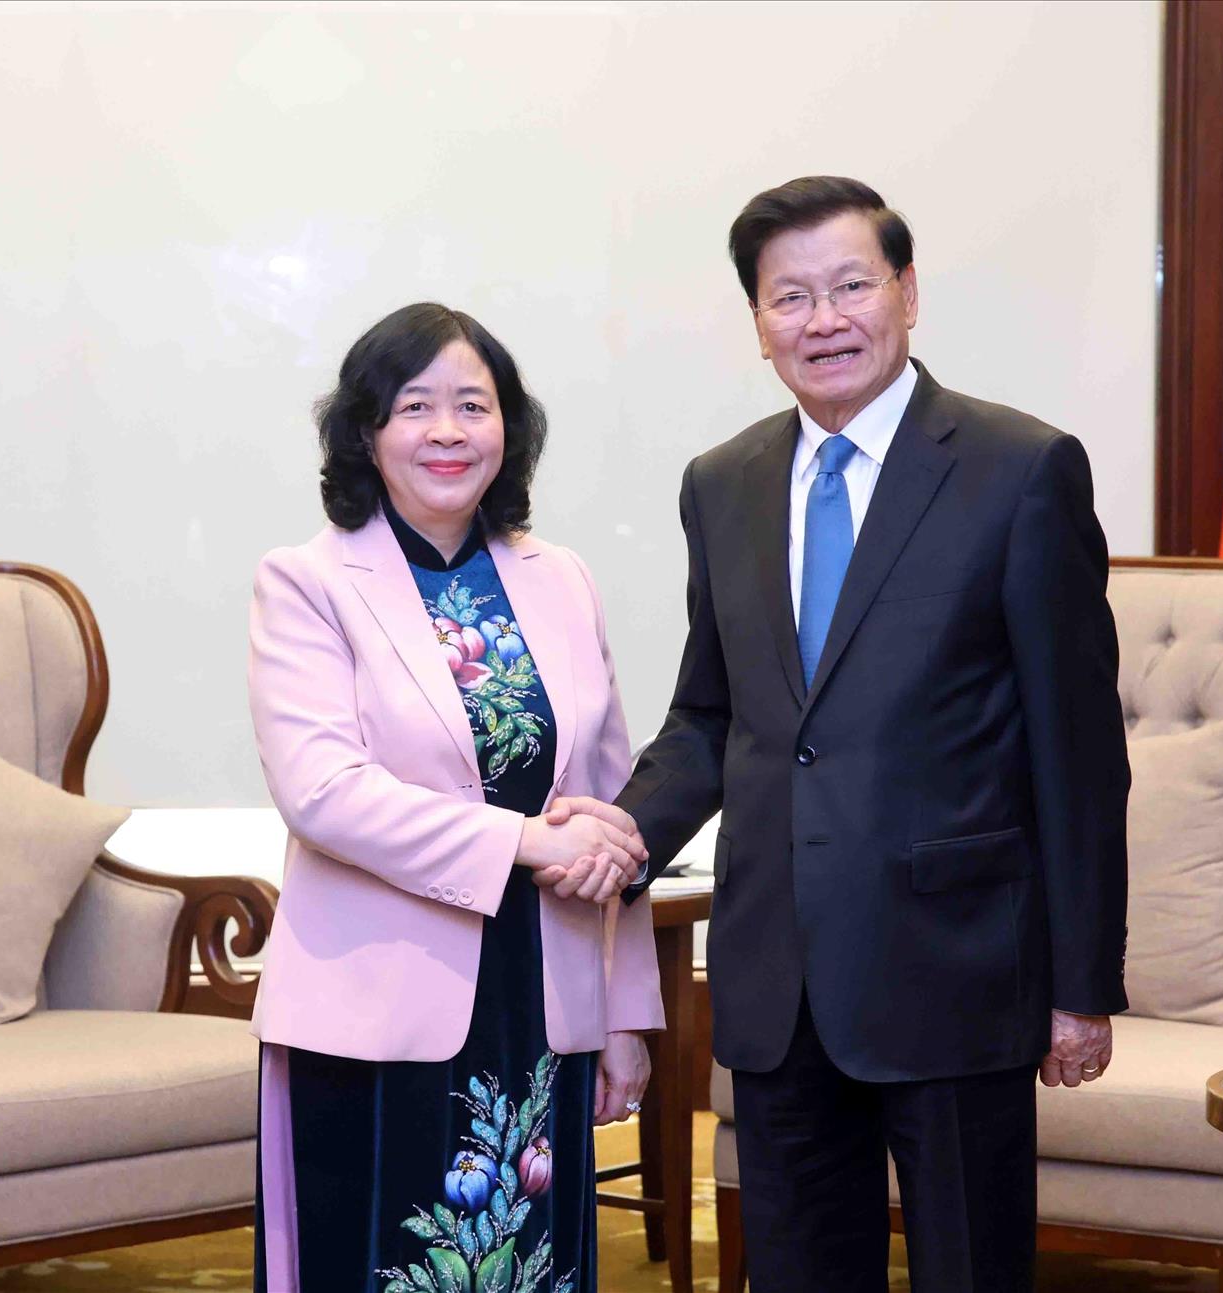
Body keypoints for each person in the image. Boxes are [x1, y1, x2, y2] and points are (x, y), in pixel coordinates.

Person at [553, 177, 1130, 1291]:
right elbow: (713, 715)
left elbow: (1079, 753)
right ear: (758, 324)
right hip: (776, 978)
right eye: (790, 298)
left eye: (852, 286)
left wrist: (1081, 982)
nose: (823, 320)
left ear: (907, 294)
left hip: (956, 973)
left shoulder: (1021, 469)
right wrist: (619, 830)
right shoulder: (722, 484)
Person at [247, 303, 662, 1293]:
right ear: (366, 432)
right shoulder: (307, 581)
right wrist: (523, 841)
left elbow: (610, 809)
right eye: (414, 406)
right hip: (374, 1013)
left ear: (508, 428)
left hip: (542, 1001)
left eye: (474, 406)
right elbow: (324, 793)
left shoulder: (562, 578)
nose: (447, 431)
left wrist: (627, 1014)